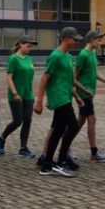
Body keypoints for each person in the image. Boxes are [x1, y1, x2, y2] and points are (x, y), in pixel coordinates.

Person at [34, 27, 83, 177]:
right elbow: (45, 78)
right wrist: (39, 101)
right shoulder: (55, 56)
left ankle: (47, 164)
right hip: (58, 97)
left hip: (65, 96)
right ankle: (61, 161)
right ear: (67, 38)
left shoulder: (68, 57)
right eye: (75, 39)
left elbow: (69, 80)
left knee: (58, 130)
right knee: (73, 126)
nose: (76, 42)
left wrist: (77, 96)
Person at [74, 30, 105, 162]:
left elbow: (94, 72)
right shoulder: (83, 55)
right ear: (90, 40)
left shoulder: (92, 54)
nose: (100, 42)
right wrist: (80, 92)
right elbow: (75, 76)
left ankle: (65, 145)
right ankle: (94, 153)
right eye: (98, 40)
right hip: (84, 93)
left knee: (80, 121)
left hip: (89, 93)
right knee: (92, 119)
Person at [0, 36, 38, 158]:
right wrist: (15, 93)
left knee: (28, 120)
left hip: (28, 94)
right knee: (18, 121)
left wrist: (32, 94)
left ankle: (23, 148)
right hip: (16, 94)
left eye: (31, 47)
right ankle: (2, 138)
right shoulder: (13, 58)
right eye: (28, 46)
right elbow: (9, 77)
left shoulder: (29, 59)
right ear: (20, 44)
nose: (29, 49)